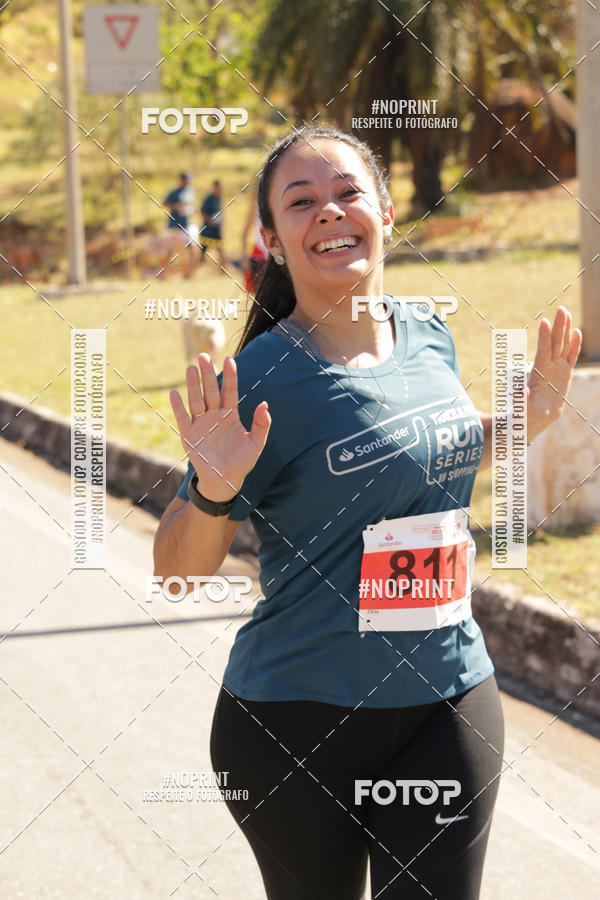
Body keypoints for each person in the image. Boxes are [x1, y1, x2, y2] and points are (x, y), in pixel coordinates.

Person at [153, 125, 581, 899]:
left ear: (384, 212)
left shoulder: (429, 335)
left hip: (448, 698)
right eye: (301, 201)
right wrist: (214, 487)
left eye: (348, 192)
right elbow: (176, 568)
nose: (330, 212)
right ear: (274, 241)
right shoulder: (260, 378)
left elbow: (418, 454)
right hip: (295, 720)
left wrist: (523, 420)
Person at [161, 172, 196, 278]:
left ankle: (188, 273)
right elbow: (165, 203)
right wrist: (176, 206)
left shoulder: (189, 191)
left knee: (190, 249)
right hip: (175, 226)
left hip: (185, 225)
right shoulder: (175, 192)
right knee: (171, 250)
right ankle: (163, 273)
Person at [241, 191, 269, 293]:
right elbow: (244, 233)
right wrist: (244, 256)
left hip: (275, 253)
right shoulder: (255, 208)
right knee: (258, 292)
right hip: (259, 253)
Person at [199, 179, 226, 267]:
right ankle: (194, 271)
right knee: (202, 252)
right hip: (207, 230)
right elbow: (202, 211)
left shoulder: (219, 198)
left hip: (216, 230)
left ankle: (223, 269)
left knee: (220, 249)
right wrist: (210, 220)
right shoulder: (209, 198)